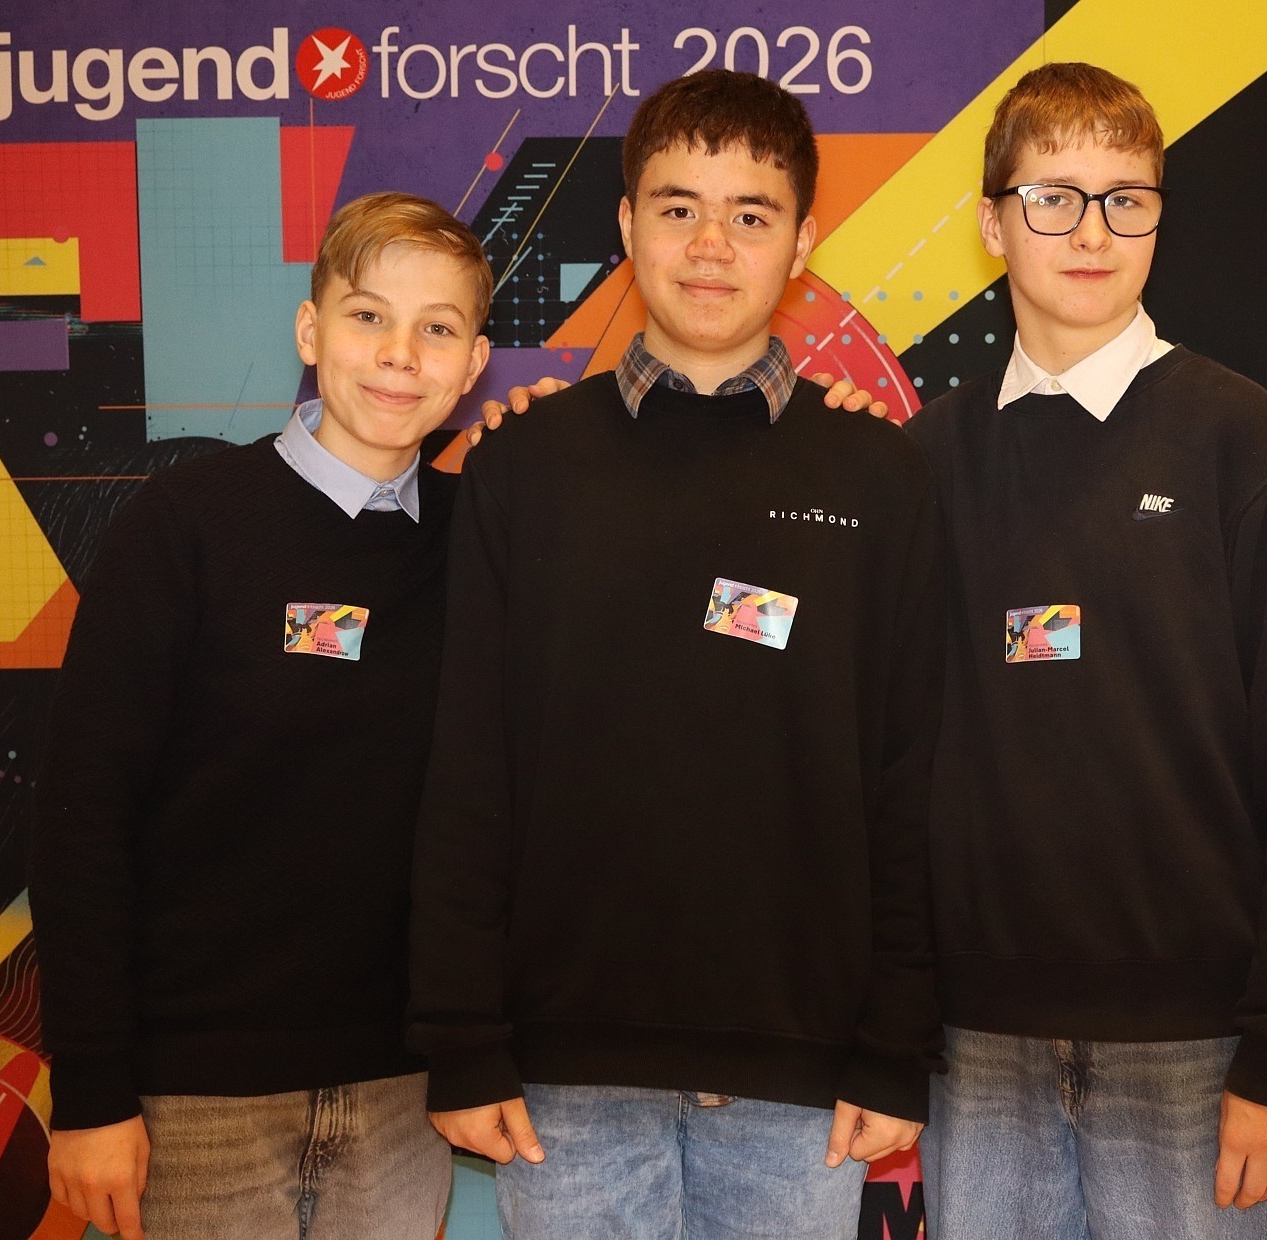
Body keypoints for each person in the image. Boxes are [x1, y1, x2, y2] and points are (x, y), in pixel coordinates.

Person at [407, 70, 944, 1240]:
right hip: (561, 1082)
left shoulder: (879, 475)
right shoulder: (521, 465)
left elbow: (909, 779)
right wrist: (461, 1037)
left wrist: (895, 1043)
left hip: (803, 1082)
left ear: (802, 240)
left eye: (750, 213)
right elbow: (467, 771)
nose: (710, 244)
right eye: (676, 207)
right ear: (624, 224)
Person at [904, 62, 1267, 1239]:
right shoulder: (926, 458)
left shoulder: (1238, 436)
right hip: (973, 1048)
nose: (1091, 232)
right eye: (1052, 197)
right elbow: (882, 753)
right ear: (991, 224)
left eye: (1125, 199)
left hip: (1197, 1049)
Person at [31, 192, 493, 1240]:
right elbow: (80, 820)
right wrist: (93, 1089)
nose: (400, 355)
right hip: (195, 1103)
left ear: (473, 365)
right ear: (309, 330)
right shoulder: (186, 525)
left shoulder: (484, 542)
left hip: (402, 1097)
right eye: (368, 316)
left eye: (437, 328)